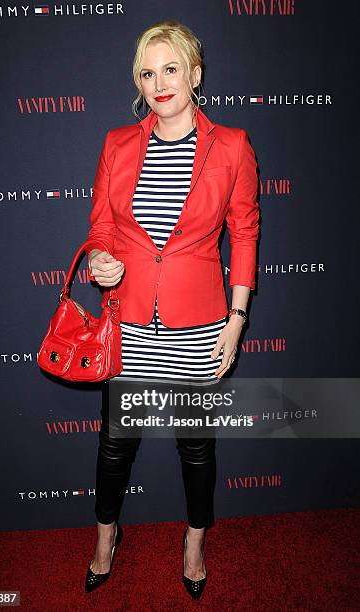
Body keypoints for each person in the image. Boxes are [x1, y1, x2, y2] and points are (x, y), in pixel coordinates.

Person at [83, 20, 260, 600]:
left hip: (200, 325)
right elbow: (102, 229)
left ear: (195, 75)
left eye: (170, 68)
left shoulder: (231, 145)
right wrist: (101, 263)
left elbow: (245, 232)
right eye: (147, 71)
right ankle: (106, 538)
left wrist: (236, 321)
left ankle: (194, 541)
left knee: (196, 446)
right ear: (138, 81)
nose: (158, 82)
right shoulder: (117, 143)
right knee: (116, 445)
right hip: (129, 320)